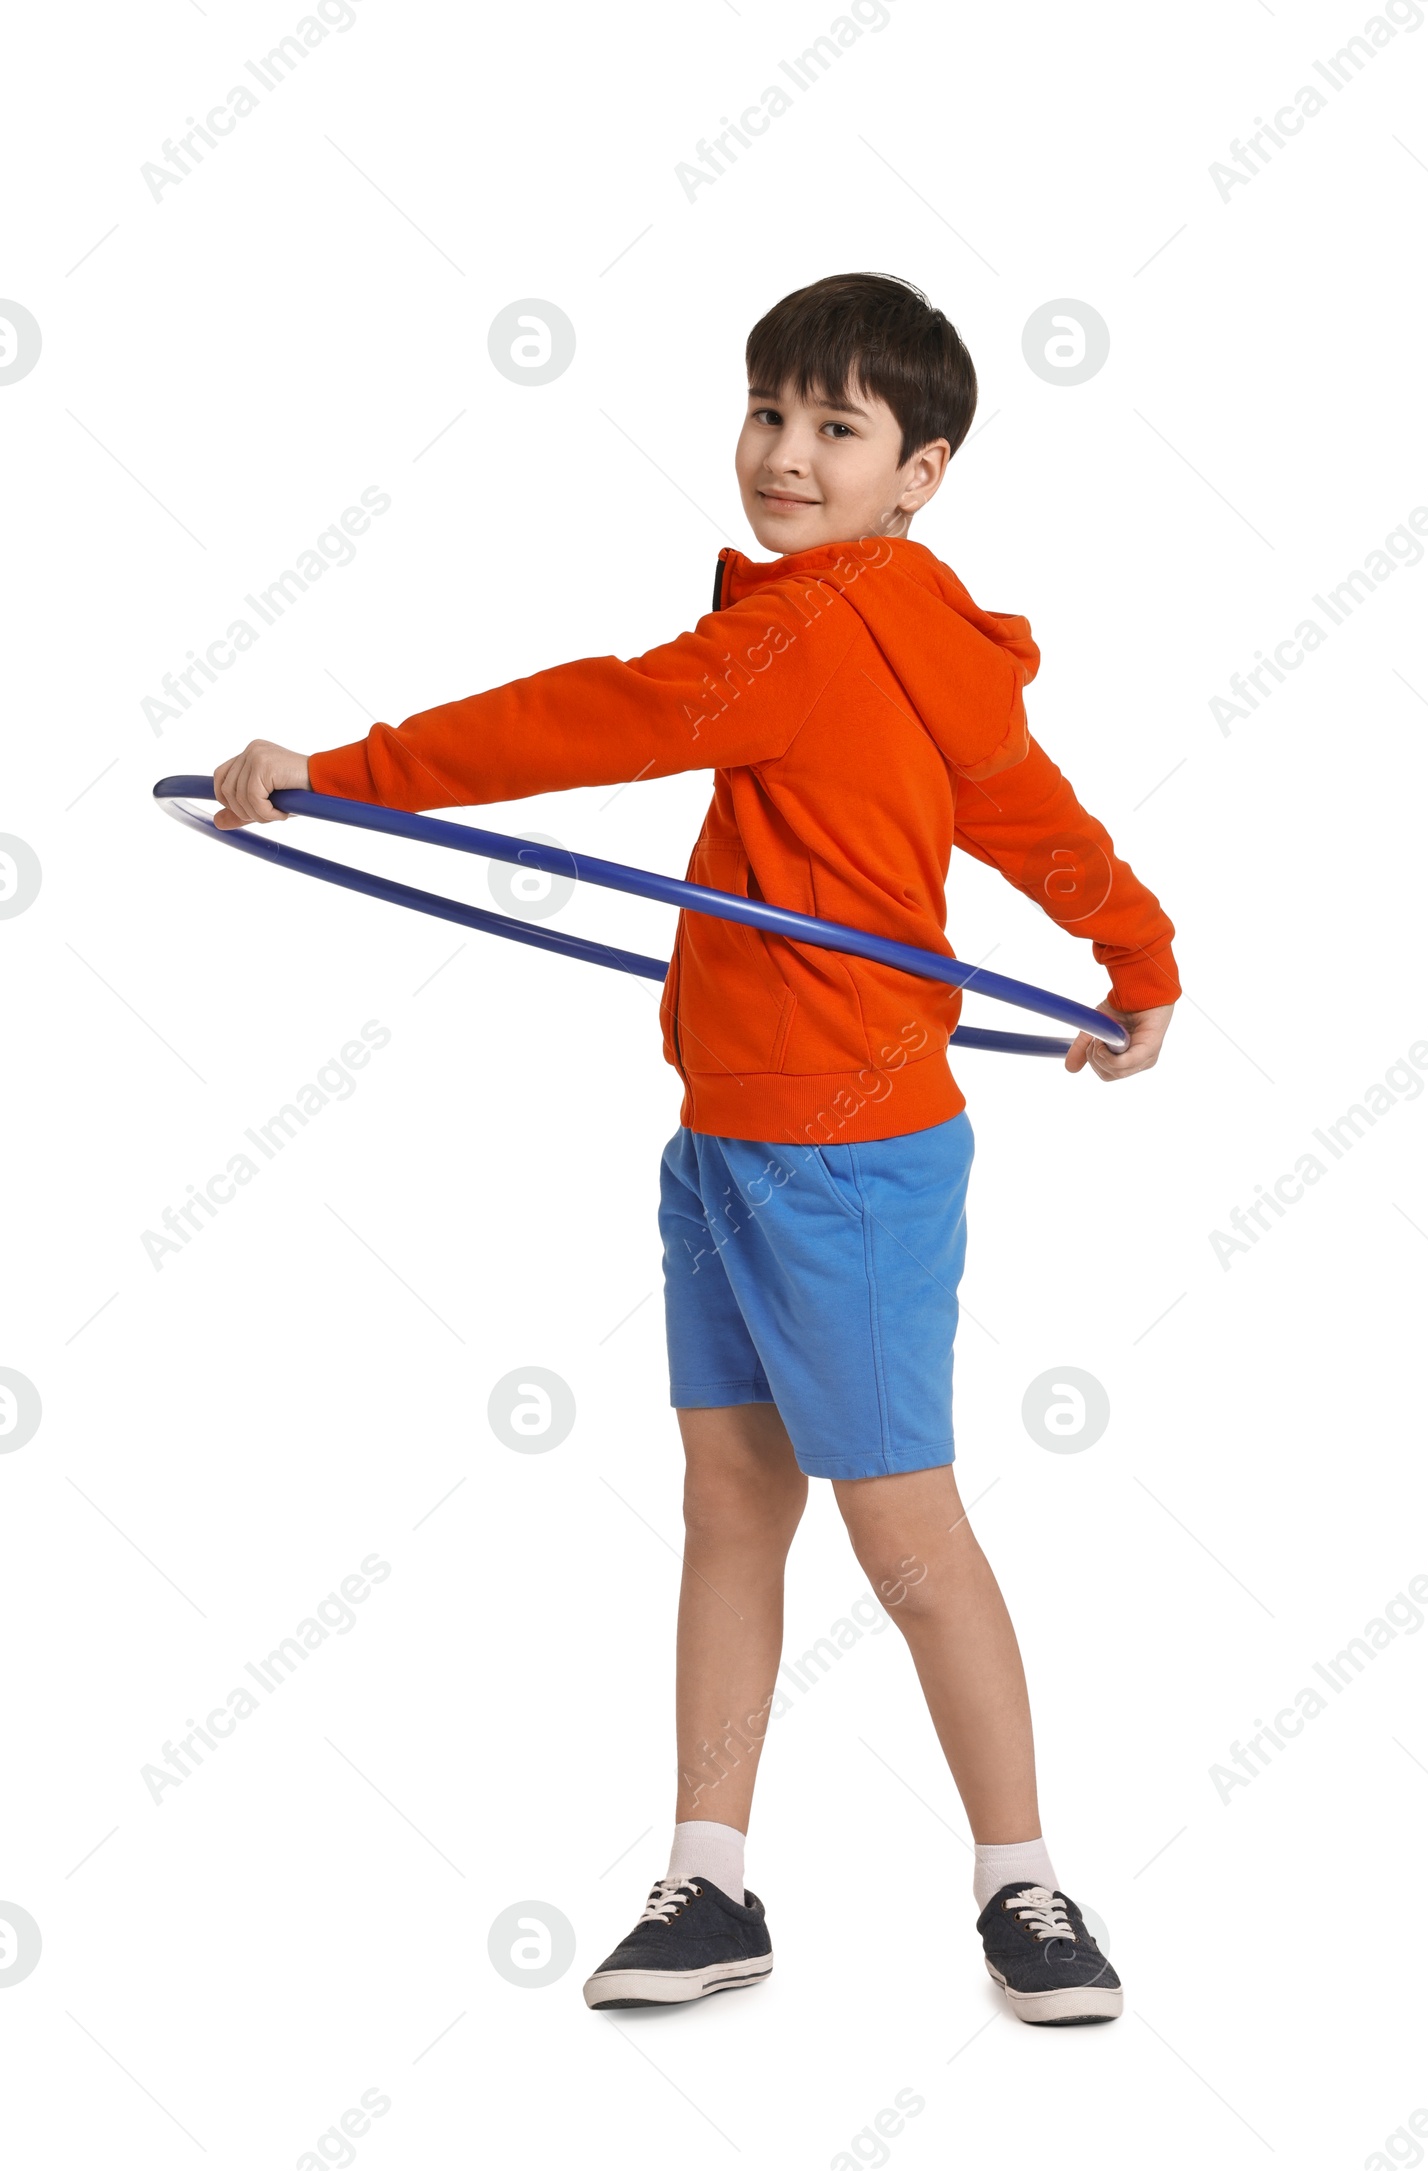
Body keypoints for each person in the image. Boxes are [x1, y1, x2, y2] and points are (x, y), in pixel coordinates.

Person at [212, 272, 1180, 2025]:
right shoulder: (898, 621)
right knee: (731, 1504)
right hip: (729, 1139)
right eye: (769, 414)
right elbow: (1031, 815)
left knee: (908, 1538)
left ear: (923, 467)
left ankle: (1025, 1888)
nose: (786, 456)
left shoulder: (807, 632)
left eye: (837, 428)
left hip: (846, 1156)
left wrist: (342, 771)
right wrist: (1137, 955)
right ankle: (711, 1882)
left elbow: (582, 716)